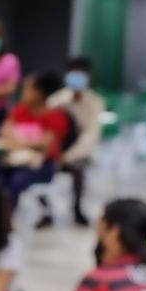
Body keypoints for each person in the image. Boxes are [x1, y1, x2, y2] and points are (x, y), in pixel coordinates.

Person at [0, 72, 72, 213]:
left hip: (43, 167)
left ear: (39, 93)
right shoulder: (20, 110)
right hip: (14, 163)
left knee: (16, 182)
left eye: (28, 89)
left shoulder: (55, 116)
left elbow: (44, 146)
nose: (24, 93)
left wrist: (16, 140)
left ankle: (8, 219)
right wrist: (26, 142)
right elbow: (3, 131)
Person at [47, 56, 104, 225]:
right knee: (39, 168)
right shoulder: (55, 101)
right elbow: (49, 130)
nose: (78, 77)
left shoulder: (95, 102)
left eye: (82, 73)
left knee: (78, 169)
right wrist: (55, 153)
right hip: (54, 151)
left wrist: (68, 156)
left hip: (78, 153)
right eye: (74, 73)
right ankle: (46, 211)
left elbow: (90, 137)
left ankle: (77, 208)